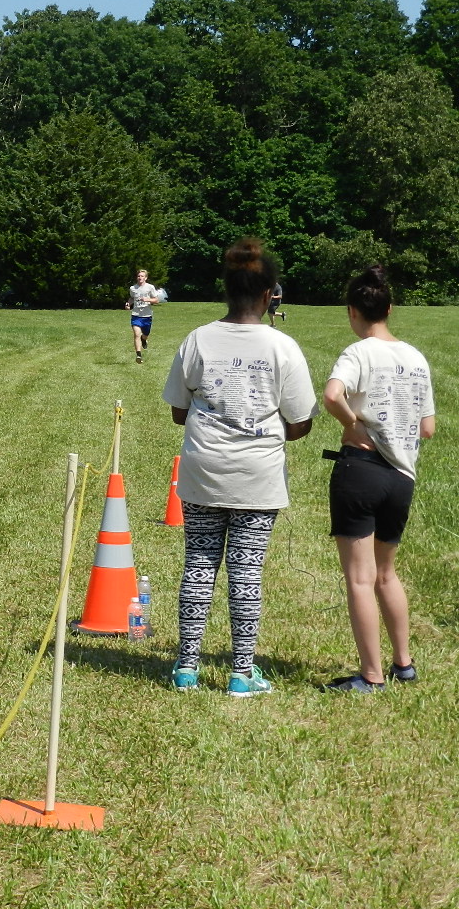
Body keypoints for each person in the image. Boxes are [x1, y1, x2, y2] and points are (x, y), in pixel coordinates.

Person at [162, 238, 317, 697]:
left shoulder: (197, 339)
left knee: (198, 564)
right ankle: (242, 673)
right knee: (246, 572)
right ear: (270, 295)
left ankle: (186, 667)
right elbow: (300, 422)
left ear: (226, 290)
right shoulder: (282, 346)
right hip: (257, 475)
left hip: (203, 469)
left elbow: (178, 411)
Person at [322, 265, 435, 692]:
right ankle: (404, 664)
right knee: (387, 574)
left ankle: (370, 676)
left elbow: (332, 394)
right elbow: (428, 428)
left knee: (360, 579)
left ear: (352, 311)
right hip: (402, 477)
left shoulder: (358, 353)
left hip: (361, 473)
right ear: (389, 309)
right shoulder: (416, 358)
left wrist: (353, 424)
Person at [125, 268, 159, 363]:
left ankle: (143, 340)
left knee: (145, 335)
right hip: (136, 315)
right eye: (138, 276)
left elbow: (156, 300)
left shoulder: (150, 287)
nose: (140, 277)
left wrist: (147, 299)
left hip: (147, 316)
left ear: (146, 278)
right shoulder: (133, 288)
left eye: (142, 276)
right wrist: (128, 304)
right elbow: (132, 298)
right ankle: (138, 355)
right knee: (136, 334)